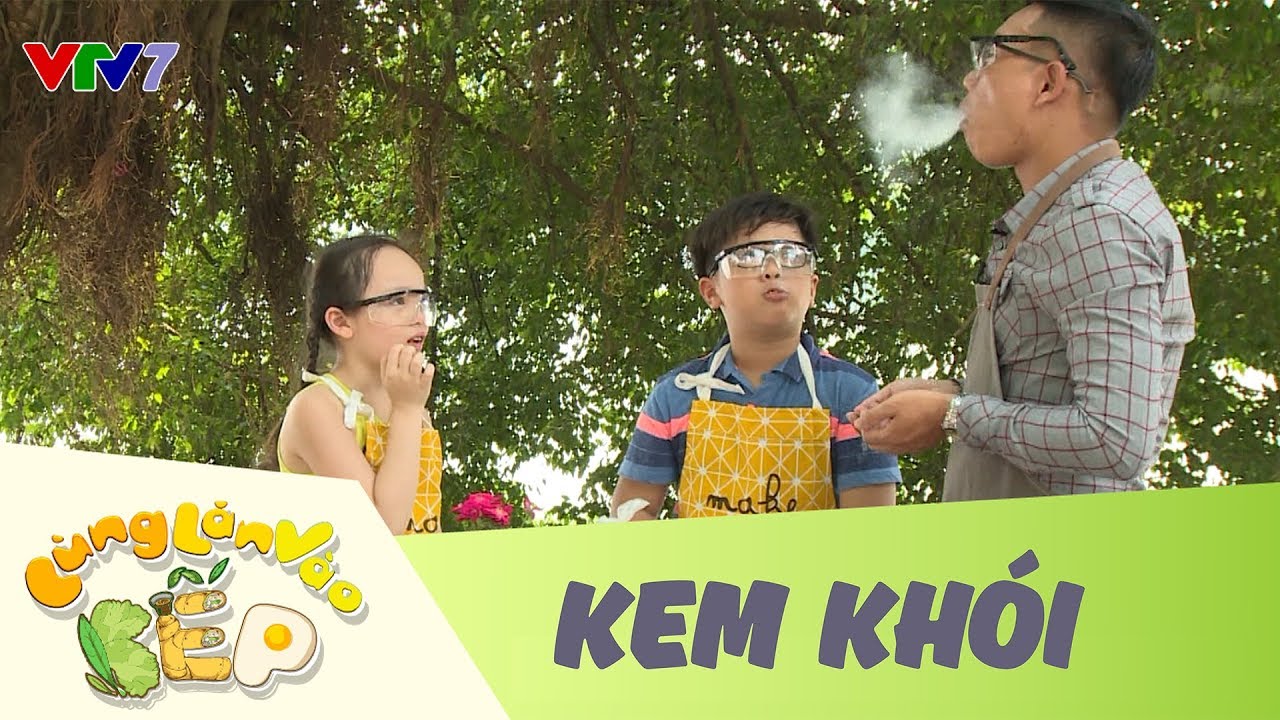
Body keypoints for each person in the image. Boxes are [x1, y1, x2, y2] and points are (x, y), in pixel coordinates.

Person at [852, 0, 1195, 500]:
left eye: (992, 56)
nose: (970, 79)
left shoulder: (1097, 221)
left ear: (1049, 82)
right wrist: (954, 399)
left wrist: (955, 414)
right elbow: (1057, 397)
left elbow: (1116, 439)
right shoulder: (1070, 212)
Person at [612, 191, 901, 521]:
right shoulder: (674, 396)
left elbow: (870, 530)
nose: (773, 269)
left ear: (812, 288)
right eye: (748, 256)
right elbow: (628, 508)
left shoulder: (853, 395)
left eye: (791, 255)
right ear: (711, 291)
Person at [262, 234, 444, 534]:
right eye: (397, 300)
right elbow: (381, 530)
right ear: (341, 322)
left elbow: (426, 523)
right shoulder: (316, 408)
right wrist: (407, 412)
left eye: (422, 301)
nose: (419, 318)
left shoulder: (407, 403)